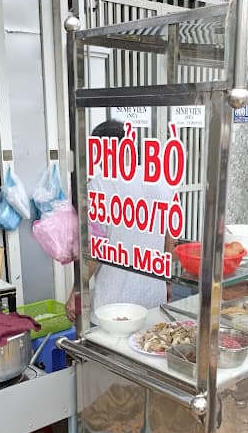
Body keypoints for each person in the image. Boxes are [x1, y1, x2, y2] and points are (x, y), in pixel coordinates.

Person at [66, 120, 173, 322]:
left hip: (114, 307)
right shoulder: (160, 180)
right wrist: (167, 282)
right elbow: (169, 239)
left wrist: (77, 290)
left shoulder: (99, 185)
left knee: (109, 353)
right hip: (153, 299)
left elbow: (95, 251)